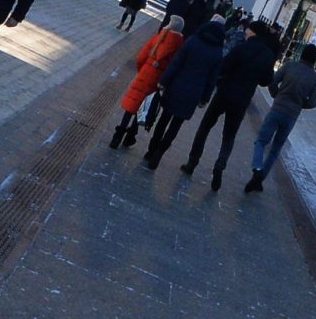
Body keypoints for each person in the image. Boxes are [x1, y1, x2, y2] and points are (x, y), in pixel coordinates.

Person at [185, 21, 281, 189]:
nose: (245, 32)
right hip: (242, 100)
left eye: (248, 29)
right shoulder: (267, 55)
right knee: (229, 136)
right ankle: (219, 166)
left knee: (205, 127)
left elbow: (224, 66)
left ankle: (192, 162)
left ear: (253, 32)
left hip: (224, 92)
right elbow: (266, 81)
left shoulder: (241, 47)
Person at [144, 16, 228, 169]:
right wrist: (205, 98)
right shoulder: (217, 53)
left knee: (163, 119)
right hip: (194, 93)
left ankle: (151, 150)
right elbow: (212, 79)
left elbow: (176, 63)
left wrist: (164, 81)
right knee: (176, 125)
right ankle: (160, 152)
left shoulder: (192, 41)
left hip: (176, 86)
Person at [243, 42, 316, 193]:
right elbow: (313, 102)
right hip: (291, 115)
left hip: (278, 107)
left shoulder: (290, 66)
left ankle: (257, 167)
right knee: (276, 148)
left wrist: (276, 94)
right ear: (315, 59)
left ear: (302, 54)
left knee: (261, 140)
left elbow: (273, 81)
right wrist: (300, 104)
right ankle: (260, 178)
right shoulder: (314, 78)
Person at [110, 15, 186, 148]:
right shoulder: (179, 46)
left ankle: (117, 136)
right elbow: (173, 67)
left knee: (131, 106)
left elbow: (141, 57)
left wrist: (143, 69)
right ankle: (130, 136)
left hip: (145, 73)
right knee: (142, 108)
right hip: (157, 80)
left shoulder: (158, 37)